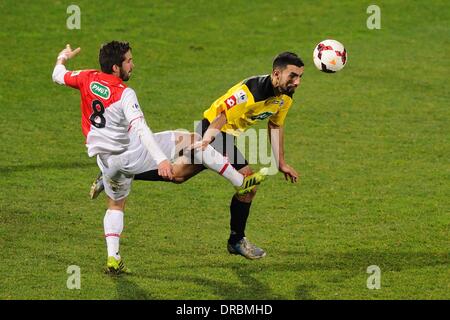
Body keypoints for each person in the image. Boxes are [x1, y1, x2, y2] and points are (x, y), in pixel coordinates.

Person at [52, 41, 265, 274]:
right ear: (115, 67)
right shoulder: (124, 94)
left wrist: (63, 56)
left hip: (106, 161)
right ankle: (239, 182)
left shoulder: (86, 77)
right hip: (132, 154)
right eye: (129, 61)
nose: (132, 65)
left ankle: (113, 258)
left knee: (115, 204)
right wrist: (162, 160)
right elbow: (142, 129)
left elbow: (57, 75)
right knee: (192, 139)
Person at [92, 52, 303, 260]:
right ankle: (236, 240)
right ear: (276, 73)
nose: (297, 82)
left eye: (300, 77)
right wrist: (207, 141)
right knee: (248, 184)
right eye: (292, 76)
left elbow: (276, 124)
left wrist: (281, 162)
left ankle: (115, 175)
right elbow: (221, 117)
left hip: (225, 135)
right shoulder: (249, 92)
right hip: (213, 132)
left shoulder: (285, 97)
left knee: (178, 176)